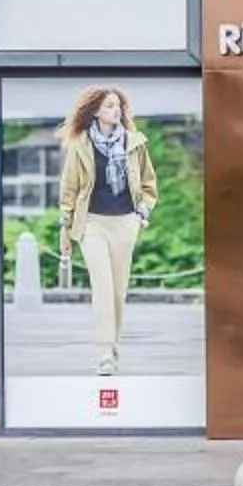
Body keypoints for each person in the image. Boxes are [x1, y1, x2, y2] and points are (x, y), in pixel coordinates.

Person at [58, 89, 159, 376]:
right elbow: (69, 190)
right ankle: (104, 353)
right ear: (95, 111)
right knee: (102, 288)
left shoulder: (135, 143)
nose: (116, 110)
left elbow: (150, 186)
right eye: (109, 105)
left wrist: (141, 215)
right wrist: (65, 229)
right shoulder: (80, 145)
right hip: (92, 224)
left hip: (125, 223)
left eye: (118, 105)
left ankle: (113, 345)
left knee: (117, 292)